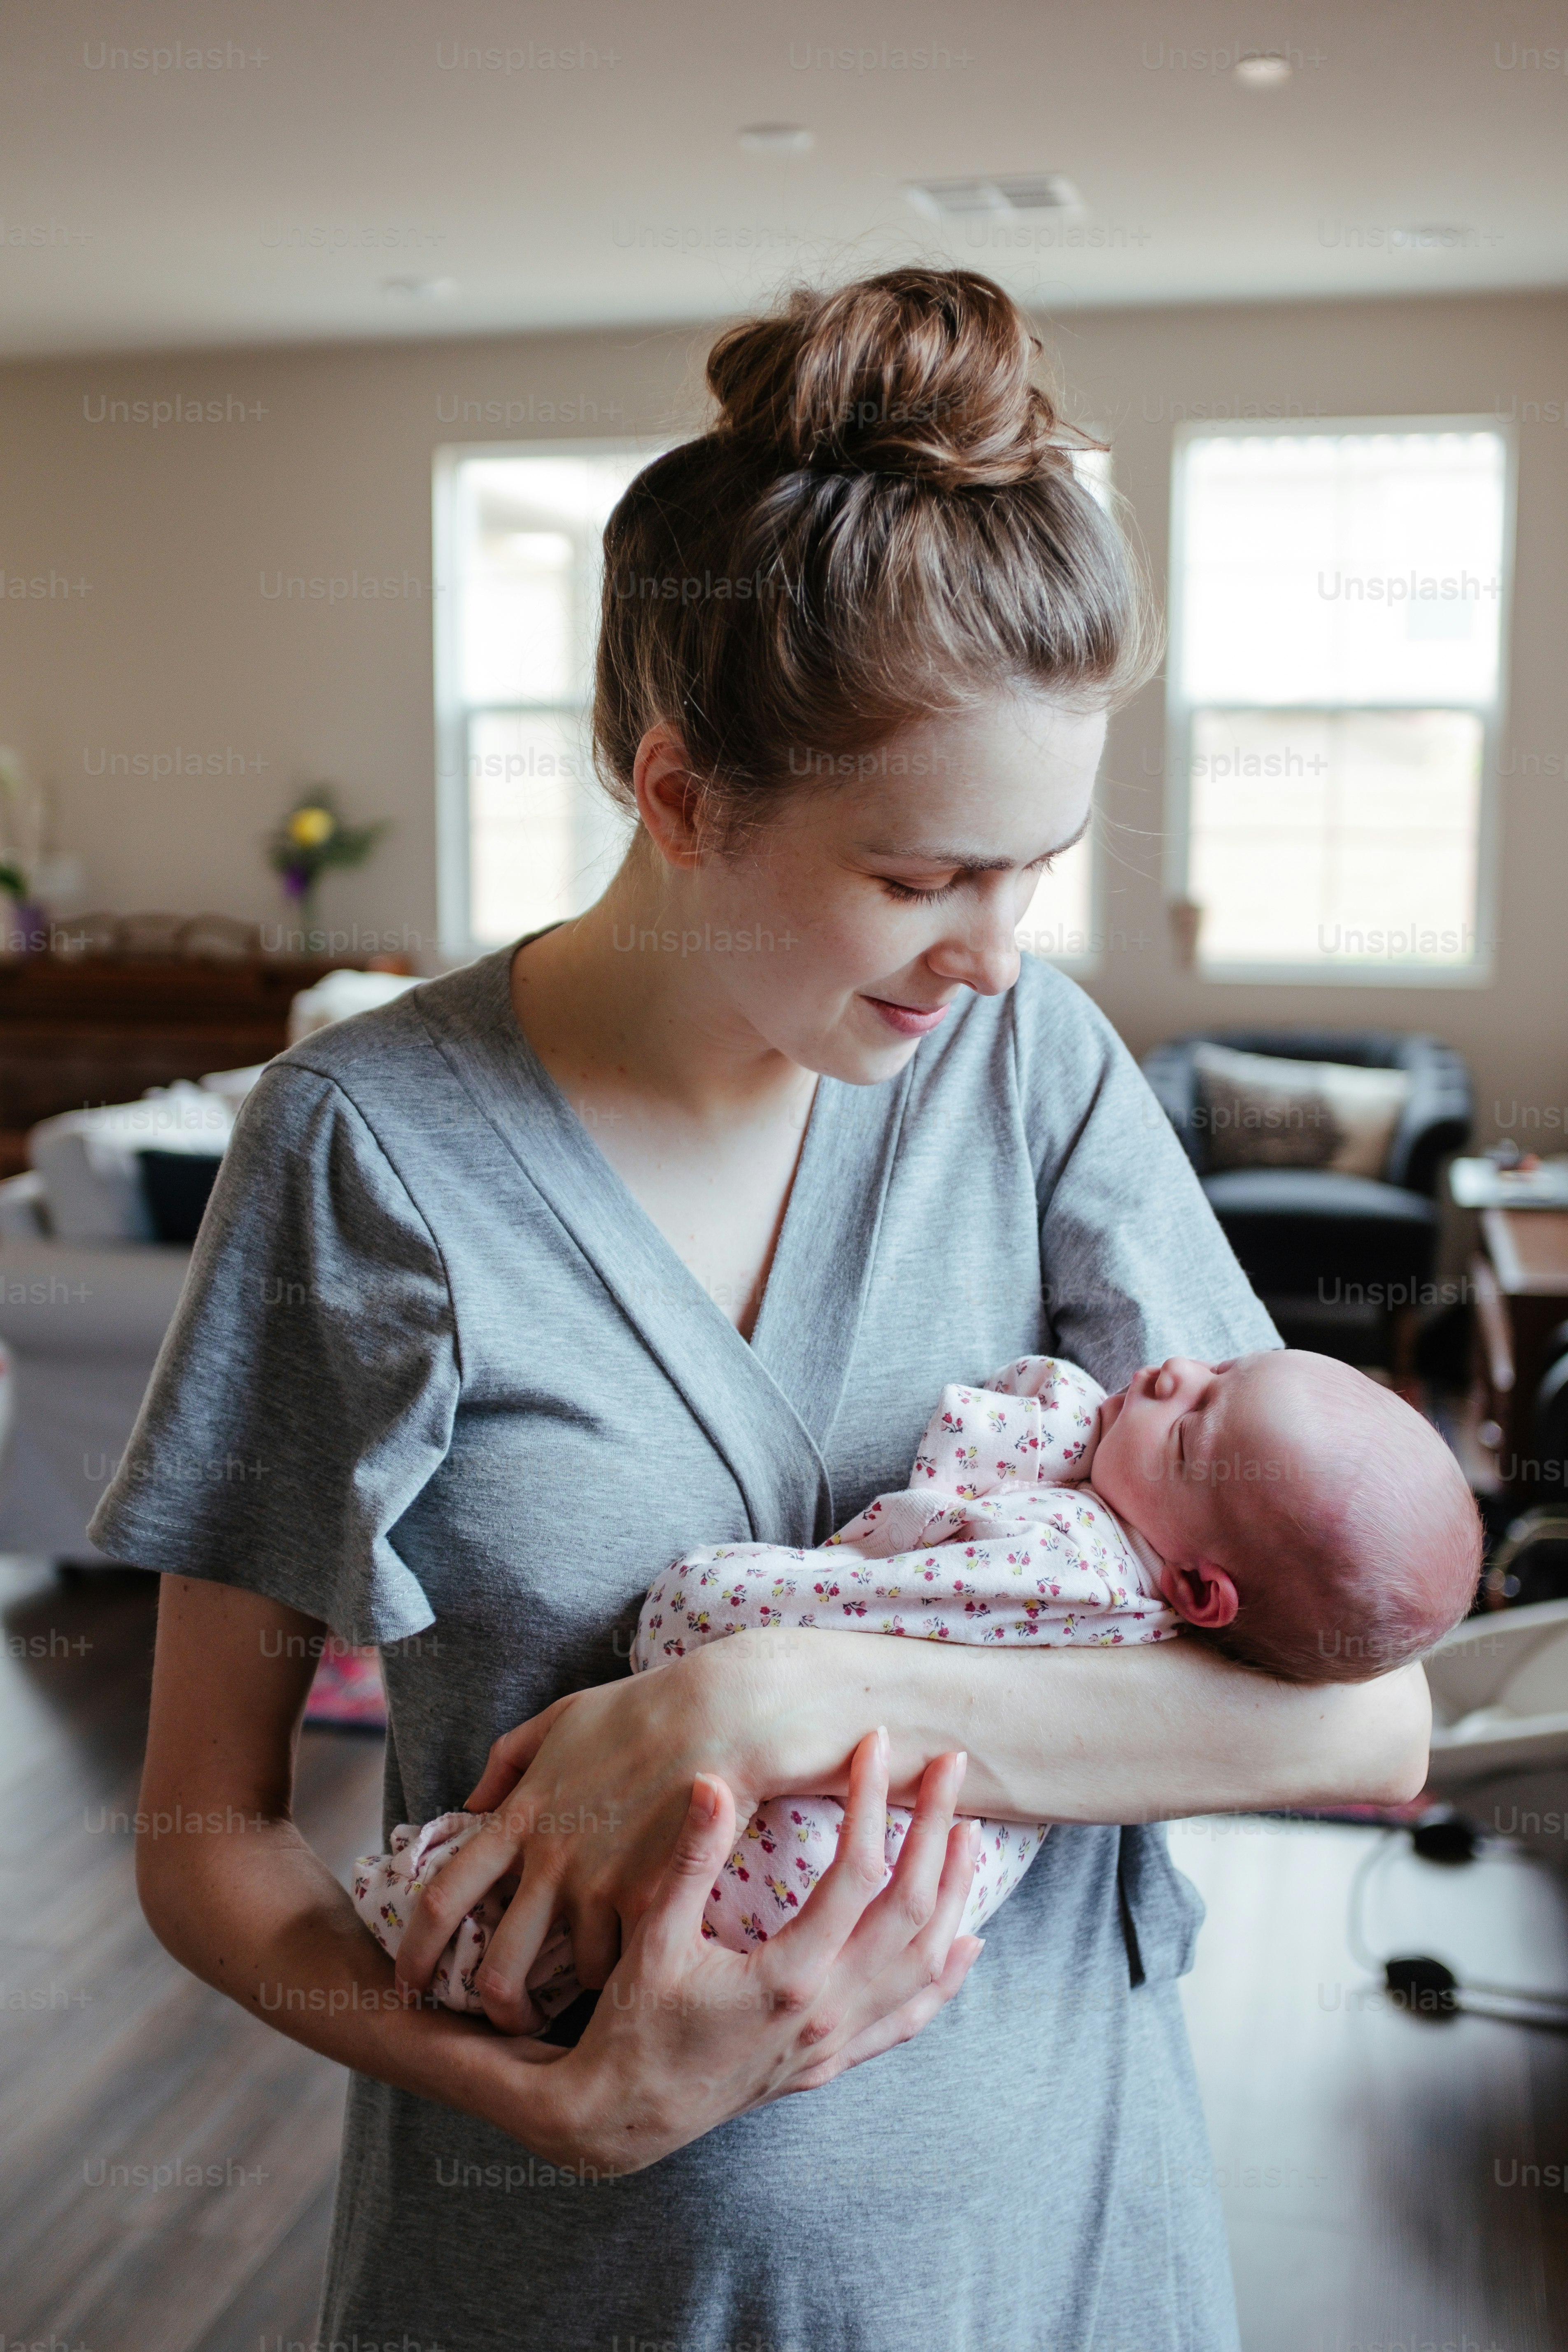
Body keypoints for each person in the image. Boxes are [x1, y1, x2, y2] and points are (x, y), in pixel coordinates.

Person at [107, 268, 1431, 2352]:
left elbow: (1364, 1706)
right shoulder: (370, 1151)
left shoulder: (1034, 1073)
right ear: (677, 795)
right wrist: (544, 2091)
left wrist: (758, 1699)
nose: (993, 952)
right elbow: (204, 1828)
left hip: (1067, 2255)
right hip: (580, 2292)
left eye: (1035, 866)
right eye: (920, 877)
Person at [356, 1344, 1478, 2018]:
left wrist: (699, 1638)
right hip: (862, 1920)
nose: (1172, 1370)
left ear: (1199, 1588)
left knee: (567, 1907)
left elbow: (802, 1615)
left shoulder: (1063, 1566)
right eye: (1218, 1365)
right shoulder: (1154, 1543)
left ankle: (445, 1925)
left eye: (1192, 1426)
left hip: (818, 1873)